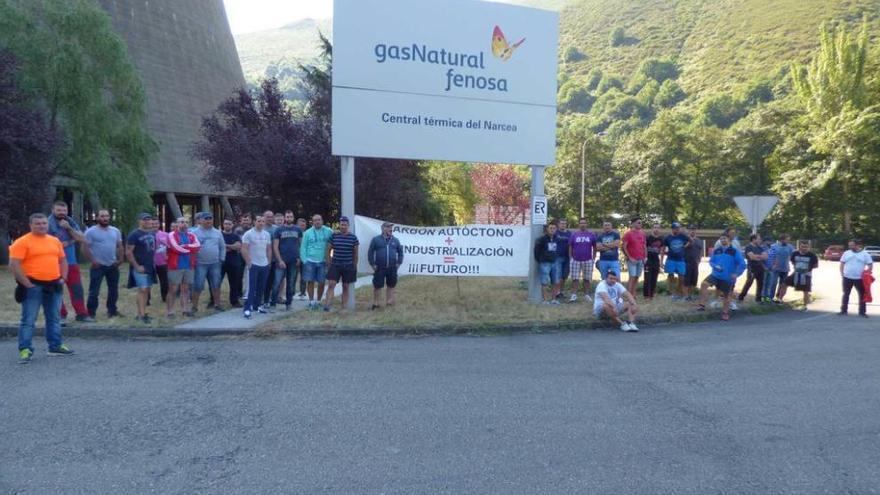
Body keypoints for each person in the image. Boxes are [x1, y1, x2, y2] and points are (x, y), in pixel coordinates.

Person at [9, 213, 74, 363]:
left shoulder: (55, 241)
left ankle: (55, 346)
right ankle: (25, 349)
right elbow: (14, 264)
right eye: (38, 223)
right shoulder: (22, 242)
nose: (42, 226)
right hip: (33, 285)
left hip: (53, 284)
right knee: (28, 319)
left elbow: (63, 260)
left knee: (54, 318)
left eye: (44, 223)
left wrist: (63, 278)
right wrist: (25, 282)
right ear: (30, 225)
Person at [47, 201, 93, 322]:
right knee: (56, 289)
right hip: (53, 263)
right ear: (53, 210)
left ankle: (81, 314)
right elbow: (43, 241)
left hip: (71, 261)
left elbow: (82, 238)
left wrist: (69, 229)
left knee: (77, 289)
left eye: (64, 211)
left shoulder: (70, 221)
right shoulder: (47, 223)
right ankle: (61, 315)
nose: (62, 213)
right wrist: (59, 243)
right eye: (59, 210)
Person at [84, 209, 124, 319]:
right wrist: (93, 261)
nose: (105, 218)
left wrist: (120, 259)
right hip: (98, 266)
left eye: (107, 216)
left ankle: (112, 311)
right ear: (97, 218)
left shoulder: (115, 231)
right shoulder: (90, 232)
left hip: (112, 265)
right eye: (102, 216)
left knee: (113, 290)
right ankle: (91, 313)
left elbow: (120, 245)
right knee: (94, 291)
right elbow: (85, 248)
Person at [696, 233, 746, 321]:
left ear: (729, 240)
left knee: (727, 296)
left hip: (727, 277)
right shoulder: (716, 251)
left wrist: (736, 274)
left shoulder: (734, 251)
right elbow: (711, 261)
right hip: (715, 275)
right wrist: (715, 266)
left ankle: (725, 313)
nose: (723, 240)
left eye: (725, 238)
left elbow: (742, 264)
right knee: (704, 284)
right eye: (721, 239)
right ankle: (702, 305)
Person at [190, 212, 226, 312]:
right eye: (206, 219)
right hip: (200, 264)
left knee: (216, 284)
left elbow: (222, 247)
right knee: (198, 285)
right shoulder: (194, 233)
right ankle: (194, 307)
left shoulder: (217, 232)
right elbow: (191, 248)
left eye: (210, 218)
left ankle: (217, 305)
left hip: (215, 263)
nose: (208, 220)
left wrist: (221, 259)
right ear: (200, 220)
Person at [126, 213, 157, 323]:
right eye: (144, 220)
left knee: (147, 290)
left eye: (149, 220)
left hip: (150, 266)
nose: (147, 222)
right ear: (139, 221)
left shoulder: (152, 234)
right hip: (140, 266)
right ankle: (141, 316)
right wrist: (136, 266)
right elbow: (129, 252)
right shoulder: (134, 235)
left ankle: (142, 313)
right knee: (142, 289)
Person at [166, 216, 200, 318]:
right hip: (175, 266)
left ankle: (185, 309)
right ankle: (170, 311)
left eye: (186, 222)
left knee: (185, 289)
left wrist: (184, 246)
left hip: (189, 265)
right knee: (173, 289)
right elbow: (176, 248)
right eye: (181, 222)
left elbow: (198, 246)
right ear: (177, 224)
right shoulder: (171, 234)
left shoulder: (192, 235)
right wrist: (190, 248)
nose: (184, 224)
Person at [323, 217, 359, 311]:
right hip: (335, 264)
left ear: (348, 226)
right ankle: (327, 305)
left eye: (345, 225)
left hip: (348, 265)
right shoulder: (334, 236)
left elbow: (355, 253)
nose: (343, 226)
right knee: (331, 284)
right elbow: (328, 249)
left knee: (345, 286)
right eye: (342, 224)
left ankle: (343, 307)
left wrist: (354, 266)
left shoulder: (353, 237)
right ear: (339, 225)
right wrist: (329, 262)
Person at [301, 214, 334, 310]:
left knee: (321, 282)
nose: (317, 222)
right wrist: (304, 260)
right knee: (310, 281)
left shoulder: (328, 231)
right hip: (310, 261)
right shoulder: (307, 233)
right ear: (312, 222)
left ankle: (319, 301)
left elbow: (334, 243)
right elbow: (303, 247)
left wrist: (330, 258)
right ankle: (311, 301)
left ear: (322, 221)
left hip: (323, 261)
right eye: (315, 220)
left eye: (319, 220)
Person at [241, 216, 272, 318]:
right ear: (254, 222)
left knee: (261, 287)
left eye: (263, 221)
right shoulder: (248, 234)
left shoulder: (266, 234)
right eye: (259, 221)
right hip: (253, 265)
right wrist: (249, 262)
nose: (261, 223)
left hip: (264, 264)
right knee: (251, 288)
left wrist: (268, 261)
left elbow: (268, 249)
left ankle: (257, 306)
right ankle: (247, 309)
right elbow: (244, 249)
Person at [368, 221, 404, 310]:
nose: (390, 229)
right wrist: (372, 264)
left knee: (391, 285)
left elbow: (400, 252)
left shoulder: (395, 240)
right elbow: (370, 252)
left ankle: (389, 302)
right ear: (383, 228)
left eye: (391, 228)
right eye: (388, 227)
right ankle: (376, 303)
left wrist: (399, 263)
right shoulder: (376, 239)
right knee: (377, 286)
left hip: (392, 267)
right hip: (380, 267)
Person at [271, 210, 303, 310]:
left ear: (293, 218)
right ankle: (273, 304)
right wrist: (279, 260)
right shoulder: (278, 230)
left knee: (291, 284)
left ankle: (289, 304)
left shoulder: (298, 229)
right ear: (285, 218)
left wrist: (299, 258)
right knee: (276, 283)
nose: (289, 218)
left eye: (291, 217)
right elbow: (275, 247)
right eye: (287, 217)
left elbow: (300, 245)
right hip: (281, 261)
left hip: (293, 261)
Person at [839, 239, 873, 317]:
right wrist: (842, 274)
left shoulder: (865, 254)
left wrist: (867, 273)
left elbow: (870, 265)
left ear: (857, 245)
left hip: (859, 279)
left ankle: (862, 312)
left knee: (862, 295)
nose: (850, 246)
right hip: (847, 277)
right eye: (849, 245)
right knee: (846, 294)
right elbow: (842, 263)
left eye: (852, 245)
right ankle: (843, 310)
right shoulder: (846, 253)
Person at [568, 217, 598, 303]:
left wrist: (593, 258)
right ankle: (574, 295)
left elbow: (595, 247)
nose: (583, 224)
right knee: (575, 278)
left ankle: (587, 295)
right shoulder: (574, 234)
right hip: (575, 260)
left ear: (586, 224)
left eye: (584, 223)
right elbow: (570, 246)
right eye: (581, 223)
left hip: (588, 260)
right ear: (579, 224)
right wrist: (570, 258)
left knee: (587, 278)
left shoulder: (591, 235)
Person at [533, 222, 561, 304]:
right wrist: (540, 260)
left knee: (555, 281)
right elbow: (536, 251)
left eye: (554, 228)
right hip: (544, 263)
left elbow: (558, 249)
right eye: (551, 228)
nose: (552, 230)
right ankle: (545, 300)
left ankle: (554, 300)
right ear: (547, 229)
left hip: (555, 262)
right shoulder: (541, 239)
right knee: (544, 282)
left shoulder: (557, 238)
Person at [788, 240, 819, 311]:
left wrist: (807, 268)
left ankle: (805, 306)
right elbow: (792, 261)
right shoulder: (795, 253)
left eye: (806, 247)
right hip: (796, 273)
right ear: (799, 247)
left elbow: (816, 265)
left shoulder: (812, 255)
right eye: (802, 246)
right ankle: (779, 300)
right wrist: (797, 266)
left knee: (805, 290)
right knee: (784, 283)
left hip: (807, 274)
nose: (804, 248)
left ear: (808, 247)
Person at [662, 222, 690, 300]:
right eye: (676, 229)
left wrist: (684, 246)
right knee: (671, 276)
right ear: (673, 229)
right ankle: (671, 291)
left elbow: (690, 241)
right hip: (670, 259)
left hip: (681, 259)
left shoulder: (683, 236)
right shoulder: (667, 237)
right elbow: (663, 248)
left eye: (679, 228)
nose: (678, 230)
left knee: (681, 277)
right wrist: (661, 261)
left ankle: (678, 291)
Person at [221, 218, 244, 308]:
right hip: (221, 262)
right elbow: (219, 247)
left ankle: (234, 301)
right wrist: (232, 247)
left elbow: (238, 246)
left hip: (234, 262)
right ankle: (214, 301)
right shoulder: (219, 235)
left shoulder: (236, 236)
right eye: (226, 223)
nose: (227, 225)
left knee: (234, 283)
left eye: (229, 224)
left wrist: (225, 246)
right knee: (216, 282)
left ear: (232, 225)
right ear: (223, 224)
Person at [738, 234, 768, 303]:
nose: (760, 240)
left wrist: (757, 256)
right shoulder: (749, 247)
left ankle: (758, 299)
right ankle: (741, 297)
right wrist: (760, 256)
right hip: (752, 268)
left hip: (760, 267)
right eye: (759, 239)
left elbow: (766, 257)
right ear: (754, 239)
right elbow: (752, 257)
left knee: (760, 284)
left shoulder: (760, 247)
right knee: (749, 283)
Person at [765, 234, 794, 304]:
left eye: (788, 240)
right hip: (775, 269)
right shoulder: (774, 246)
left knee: (783, 284)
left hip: (785, 268)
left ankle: (778, 298)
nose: (788, 241)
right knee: (773, 283)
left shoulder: (790, 247)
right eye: (787, 240)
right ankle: (770, 298)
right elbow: (769, 256)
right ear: (782, 240)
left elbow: (793, 256)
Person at [621, 217, 646, 296]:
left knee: (637, 277)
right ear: (633, 224)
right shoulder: (628, 234)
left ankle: (633, 294)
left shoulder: (642, 233)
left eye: (641, 223)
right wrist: (630, 257)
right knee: (632, 277)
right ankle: (628, 295)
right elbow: (623, 247)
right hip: (632, 260)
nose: (640, 224)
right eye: (638, 223)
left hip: (641, 259)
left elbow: (644, 246)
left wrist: (645, 257)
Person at [682, 225, 704, 301]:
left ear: (696, 231)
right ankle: (686, 296)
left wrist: (699, 260)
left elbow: (701, 250)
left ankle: (690, 295)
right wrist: (689, 241)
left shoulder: (699, 240)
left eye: (694, 229)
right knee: (686, 280)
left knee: (693, 280)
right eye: (691, 229)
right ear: (689, 231)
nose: (692, 231)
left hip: (695, 263)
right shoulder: (685, 239)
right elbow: (682, 248)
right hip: (686, 262)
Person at [643, 223, 664, 300]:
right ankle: (646, 296)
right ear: (652, 228)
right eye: (655, 227)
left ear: (660, 229)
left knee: (654, 278)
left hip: (656, 261)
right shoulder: (648, 237)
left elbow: (662, 250)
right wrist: (644, 258)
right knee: (647, 278)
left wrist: (661, 262)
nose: (656, 229)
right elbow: (644, 247)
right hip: (648, 260)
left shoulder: (661, 238)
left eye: (658, 227)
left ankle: (651, 295)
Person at [152, 218, 169, 304]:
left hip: (163, 262)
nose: (154, 225)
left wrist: (168, 256)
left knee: (164, 281)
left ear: (159, 224)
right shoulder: (147, 235)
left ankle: (165, 297)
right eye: (153, 223)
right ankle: (147, 300)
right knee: (149, 282)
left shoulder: (166, 235)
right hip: (151, 263)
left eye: (156, 223)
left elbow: (170, 247)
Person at [555, 219, 571, 300]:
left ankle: (561, 292)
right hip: (557, 257)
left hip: (567, 257)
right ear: (558, 224)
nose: (563, 225)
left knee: (564, 276)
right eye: (562, 223)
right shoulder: (555, 232)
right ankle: (556, 292)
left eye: (565, 223)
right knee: (558, 275)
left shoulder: (569, 234)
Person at [295, 217, 309, 300]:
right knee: (293, 276)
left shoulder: (307, 234)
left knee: (304, 276)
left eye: (303, 225)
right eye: (300, 225)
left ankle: (302, 293)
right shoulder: (294, 233)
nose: (302, 226)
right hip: (295, 257)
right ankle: (291, 292)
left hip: (305, 258)